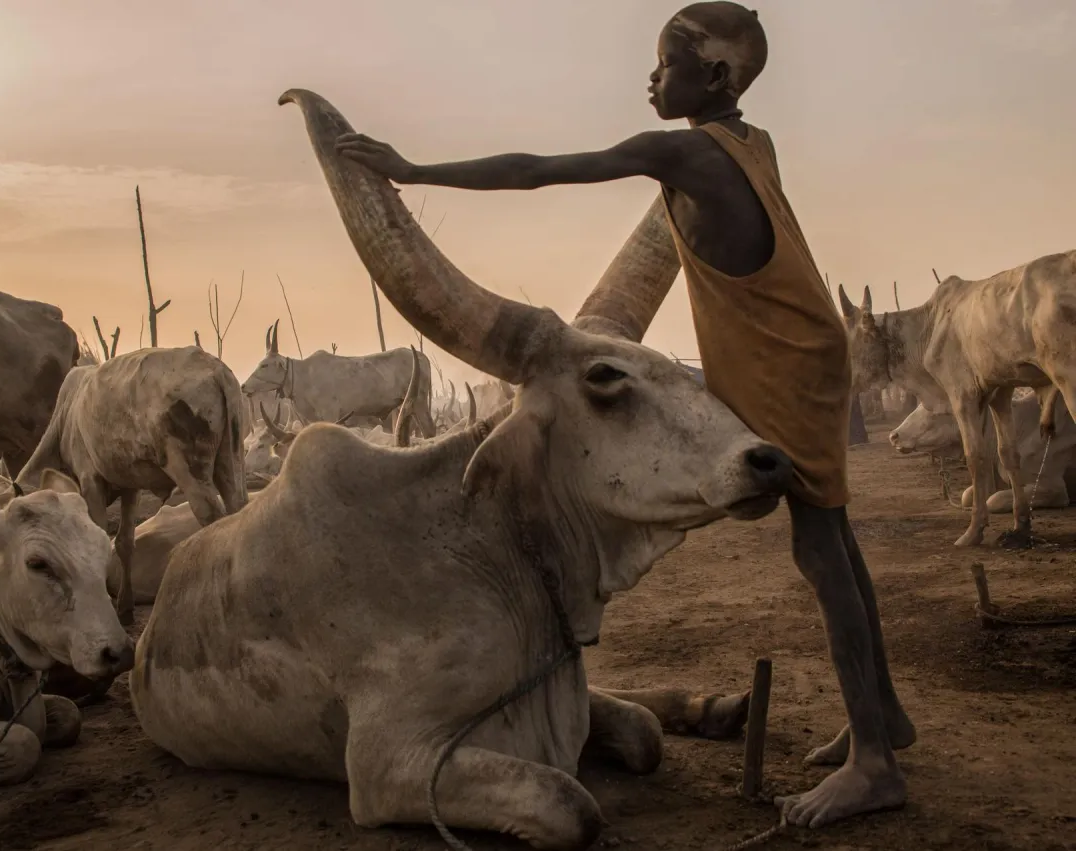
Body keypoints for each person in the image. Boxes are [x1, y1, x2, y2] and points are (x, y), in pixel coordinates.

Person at [334, 0, 915, 830]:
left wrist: (416, 170)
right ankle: (881, 716)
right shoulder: (754, 144)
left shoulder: (680, 152)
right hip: (805, 349)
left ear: (713, 76)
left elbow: (542, 168)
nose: (651, 77)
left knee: (821, 552)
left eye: (667, 63)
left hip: (783, 365)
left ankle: (874, 764)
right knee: (836, 541)